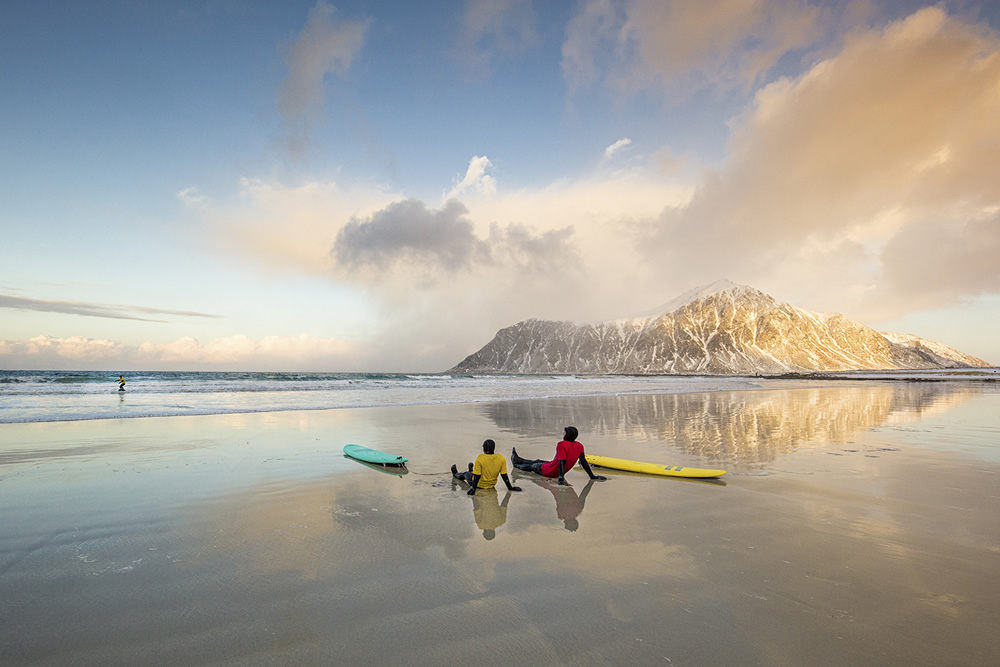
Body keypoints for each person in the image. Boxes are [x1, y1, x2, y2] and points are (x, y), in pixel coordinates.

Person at [510, 426, 608, 486]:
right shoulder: (579, 445)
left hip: (551, 471)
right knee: (538, 460)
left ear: (567, 435)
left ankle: (517, 465)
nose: (563, 433)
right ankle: (519, 459)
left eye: (564, 432)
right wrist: (592, 476)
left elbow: (562, 461)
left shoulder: (562, 444)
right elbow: (583, 461)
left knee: (533, 466)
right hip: (554, 466)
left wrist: (560, 478)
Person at [451, 439, 522, 495]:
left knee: (465, 474)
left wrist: (473, 489)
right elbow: (504, 475)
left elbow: (477, 476)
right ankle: (471, 470)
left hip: (479, 485)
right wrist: (510, 488)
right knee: (475, 472)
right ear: (494, 448)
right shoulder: (501, 458)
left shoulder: (480, 458)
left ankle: (455, 474)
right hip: (491, 485)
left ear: (484, 448)